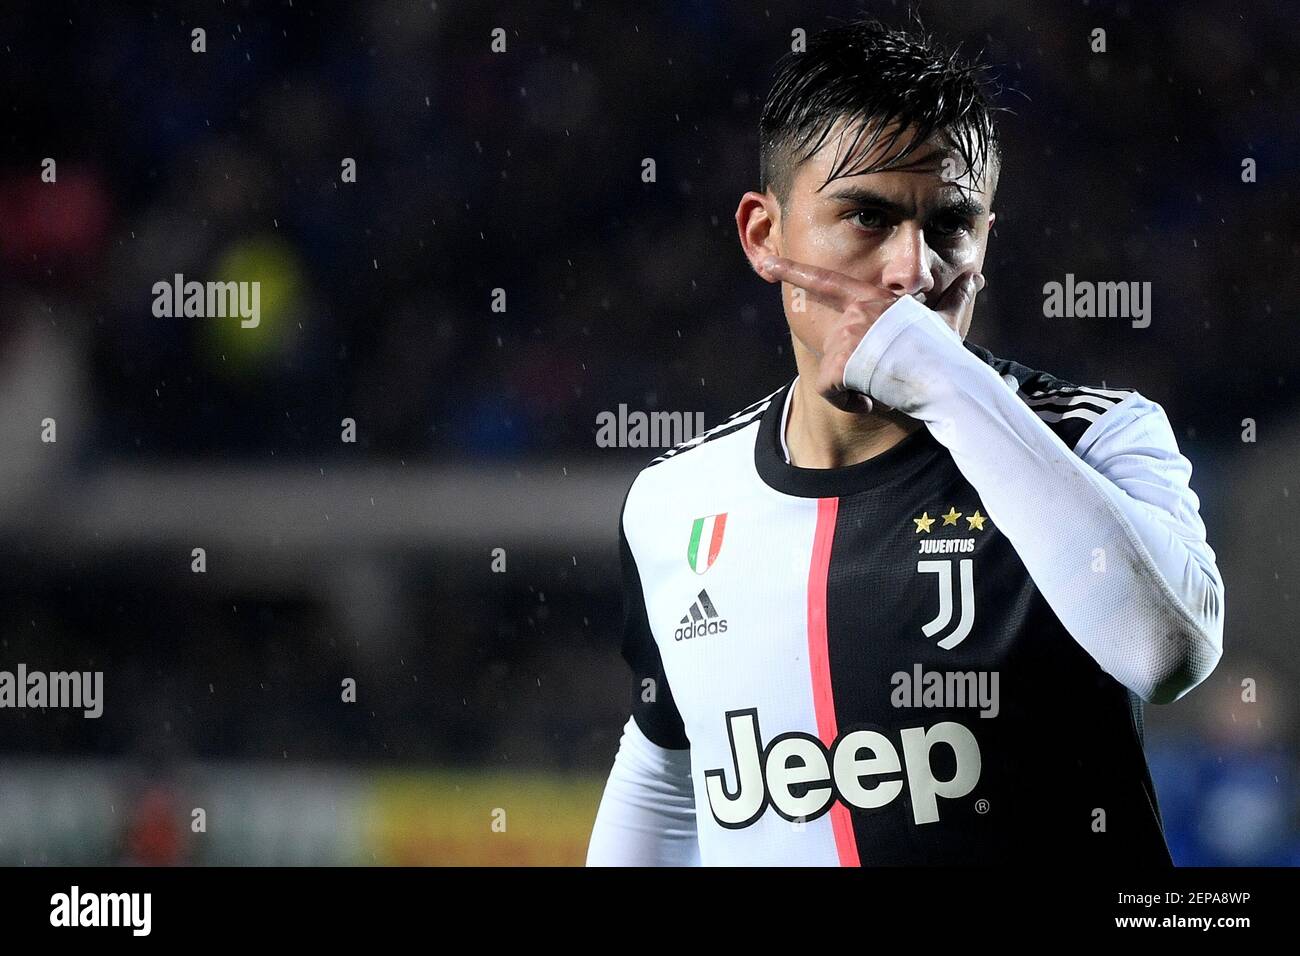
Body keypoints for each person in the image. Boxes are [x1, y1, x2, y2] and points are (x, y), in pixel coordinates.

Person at [586, 18, 1223, 866]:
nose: (913, 271)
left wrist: (943, 380)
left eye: (951, 226)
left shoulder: (1096, 437)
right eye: (866, 217)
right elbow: (667, 770)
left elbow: (1169, 652)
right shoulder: (675, 504)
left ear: (986, 240)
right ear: (763, 237)